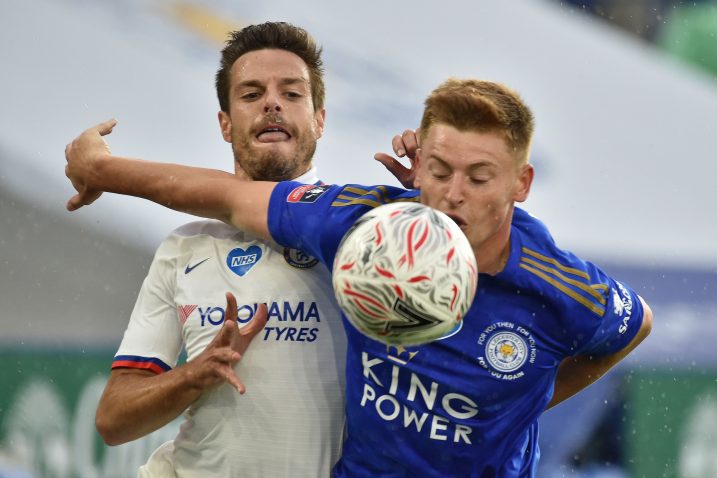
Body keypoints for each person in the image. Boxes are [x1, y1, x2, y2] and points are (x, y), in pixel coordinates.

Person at [65, 78, 653, 477]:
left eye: (480, 178)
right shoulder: (361, 223)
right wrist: (104, 170)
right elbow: (229, 196)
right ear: (417, 164)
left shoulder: (560, 288)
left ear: (520, 185)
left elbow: (635, 325)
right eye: (441, 170)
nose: (452, 195)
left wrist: (535, 395)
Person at [89, 22, 347, 477]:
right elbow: (113, 419)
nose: (271, 103)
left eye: (291, 93)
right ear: (226, 125)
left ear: (320, 119)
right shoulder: (185, 247)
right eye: (251, 95)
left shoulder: (355, 238)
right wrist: (196, 373)